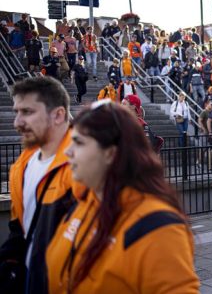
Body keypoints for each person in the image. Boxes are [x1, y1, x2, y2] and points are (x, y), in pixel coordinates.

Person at [46, 100, 199, 293]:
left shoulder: (157, 226)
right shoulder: (84, 202)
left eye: (78, 142)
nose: (68, 151)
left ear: (110, 153)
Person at [0, 77, 81, 293]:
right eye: (16, 112)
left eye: (27, 112)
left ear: (58, 115)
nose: (17, 122)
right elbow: (20, 232)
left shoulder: (86, 165)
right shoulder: (20, 167)